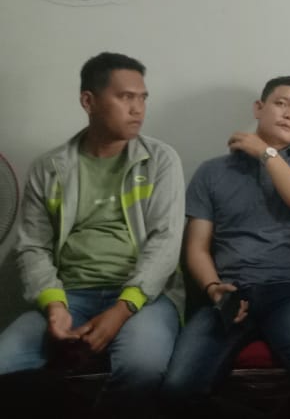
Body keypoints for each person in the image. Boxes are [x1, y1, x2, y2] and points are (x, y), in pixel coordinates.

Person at [0, 52, 185, 417]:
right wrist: (54, 306)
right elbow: (32, 246)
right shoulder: (50, 168)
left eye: (143, 98)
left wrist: (123, 308)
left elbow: (166, 241)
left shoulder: (160, 160)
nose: (138, 109)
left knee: (142, 368)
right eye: (125, 97)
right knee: (5, 363)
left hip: (143, 297)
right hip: (69, 293)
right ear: (89, 101)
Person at [161, 76, 290, 414]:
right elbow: (196, 247)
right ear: (259, 108)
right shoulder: (211, 172)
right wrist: (213, 289)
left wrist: (266, 154)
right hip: (230, 290)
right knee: (177, 388)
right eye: (281, 104)